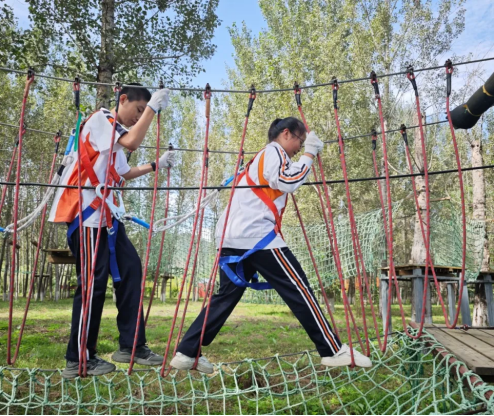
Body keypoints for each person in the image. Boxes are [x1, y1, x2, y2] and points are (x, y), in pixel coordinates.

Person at [170, 117, 373, 374]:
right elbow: (288, 181)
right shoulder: (273, 152)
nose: (300, 147)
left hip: (233, 238)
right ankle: (332, 350)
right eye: (300, 140)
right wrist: (310, 153)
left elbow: (284, 178)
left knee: (225, 298)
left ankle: (187, 352)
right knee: (299, 289)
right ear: (286, 134)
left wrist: (305, 154)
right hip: (256, 236)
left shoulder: (263, 159)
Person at [49, 83, 175, 378]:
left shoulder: (114, 134)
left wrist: (155, 165)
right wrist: (153, 108)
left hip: (107, 220)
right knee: (92, 285)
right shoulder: (101, 120)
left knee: (131, 270)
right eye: (138, 110)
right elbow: (132, 142)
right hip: (87, 218)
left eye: (143, 112)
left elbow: (123, 172)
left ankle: (132, 346)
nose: (139, 117)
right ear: (123, 100)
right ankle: (79, 358)